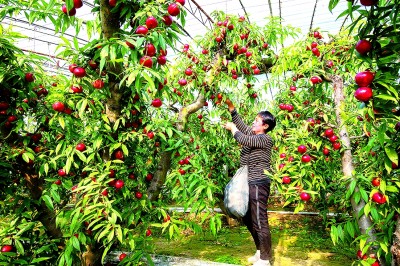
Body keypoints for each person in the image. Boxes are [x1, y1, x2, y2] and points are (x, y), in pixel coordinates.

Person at [222, 99, 276, 266]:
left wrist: (233, 129)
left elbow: (243, 138)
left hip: (259, 182)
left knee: (260, 219)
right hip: (248, 182)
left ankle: (265, 259)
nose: (253, 123)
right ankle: (260, 251)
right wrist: (232, 110)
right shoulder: (254, 133)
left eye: (257, 121)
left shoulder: (265, 140)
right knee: (248, 218)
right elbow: (243, 128)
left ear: (265, 126)